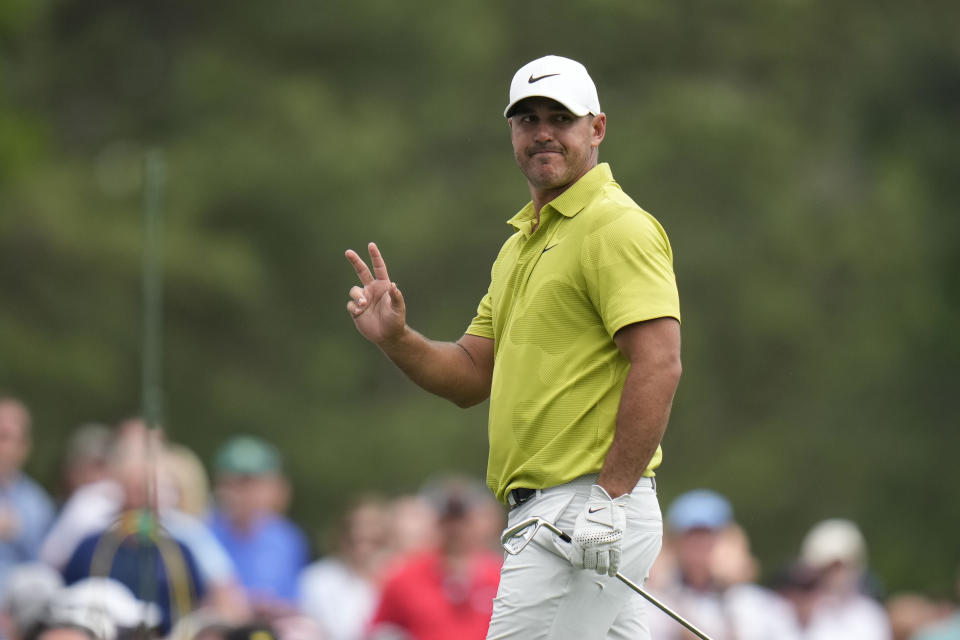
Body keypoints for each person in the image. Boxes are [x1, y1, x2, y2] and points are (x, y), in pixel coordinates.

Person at [344, 54, 682, 640]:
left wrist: (609, 497)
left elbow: (659, 360)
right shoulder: (519, 246)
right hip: (557, 513)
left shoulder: (615, 226)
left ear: (596, 128)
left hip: (585, 509)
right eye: (528, 120)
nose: (543, 132)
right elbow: (473, 374)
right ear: (512, 132)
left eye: (561, 117)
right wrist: (398, 340)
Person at [646, 489, 800, 639]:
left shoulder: (759, 604)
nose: (699, 545)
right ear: (675, 542)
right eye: (691, 536)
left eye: (707, 536)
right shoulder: (655, 601)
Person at [367, 477, 502, 640]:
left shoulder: (500, 575)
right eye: (447, 520)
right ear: (435, 522)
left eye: (462, 520)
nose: (455, 529)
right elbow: (379, 630)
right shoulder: (404, 577)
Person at [207, 436, 309, 616]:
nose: (239, 493)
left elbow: (296, 601)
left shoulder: (288, 538)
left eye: (249, 483)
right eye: (231, 483)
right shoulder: (202, 534)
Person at [298, 497, 389, 640]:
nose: (362, 533)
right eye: (355, 529)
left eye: (371, 529)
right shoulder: (319, 578)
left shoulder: (397, 578)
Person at [796, 518, 892, 639]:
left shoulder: (871, 615)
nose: (835, 575)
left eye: (839, 567)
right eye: (828, 568)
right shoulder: (797, 613)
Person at [0, 397, 55, 600]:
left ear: (24, 447)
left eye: (5, 437)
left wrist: (17, 532)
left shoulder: (36, 503)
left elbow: (42, 565)